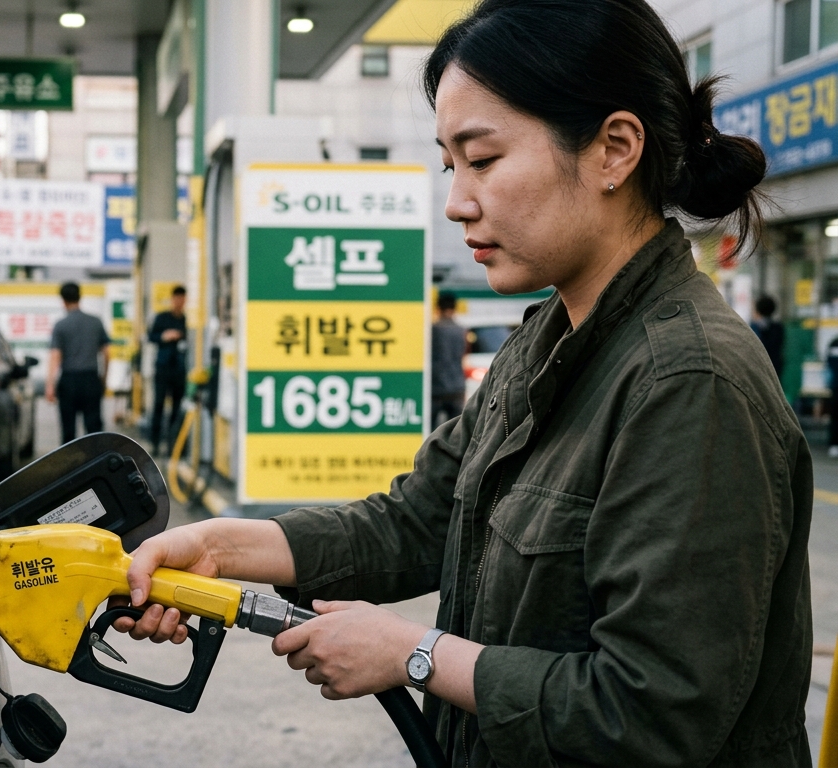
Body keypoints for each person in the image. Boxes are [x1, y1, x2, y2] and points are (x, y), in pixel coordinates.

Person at [113, 0, 813, 765]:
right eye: (452, 165)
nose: (457, 202)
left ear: (614, 149)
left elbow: (655, 711)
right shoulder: (546, 342)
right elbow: (415, 522)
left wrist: (416, 655)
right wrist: (215, 546)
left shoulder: (690, 382)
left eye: (483, 159)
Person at [47, 282, 110, 444]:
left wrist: (50, 386)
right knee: (94, 430)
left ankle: (70, 467)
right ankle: (97, 464)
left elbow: (55, 356)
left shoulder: (61, 325)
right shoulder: (96, 322)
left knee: (68, 431)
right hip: (90, 379)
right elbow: (107, 353)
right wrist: (103, 378)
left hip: (69, 381)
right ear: (80, 297)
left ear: (63, 300)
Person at [147, 285, 189, 456]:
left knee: (177, 408)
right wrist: (165, 336)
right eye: (177, 298)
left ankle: (174, 446)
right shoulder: (162, 317)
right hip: (163, 368)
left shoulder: (187, 320)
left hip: (180, 369)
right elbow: (151, 337)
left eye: (182, 299)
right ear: (172, 299)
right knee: (158, 405)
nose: (179, 302)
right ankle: (155, 444)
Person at [430, 291, 467, 428]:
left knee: (433, 431)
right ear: (455, 308)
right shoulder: (461, 330)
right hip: (457, 387)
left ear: (438, 308)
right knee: (457, 432)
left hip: (436, 388)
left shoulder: (433, 330)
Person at [751, 294, 785, 380]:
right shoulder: (778, 328)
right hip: (775, 368)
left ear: (758, 310)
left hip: (757, 368)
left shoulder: (753, 328)